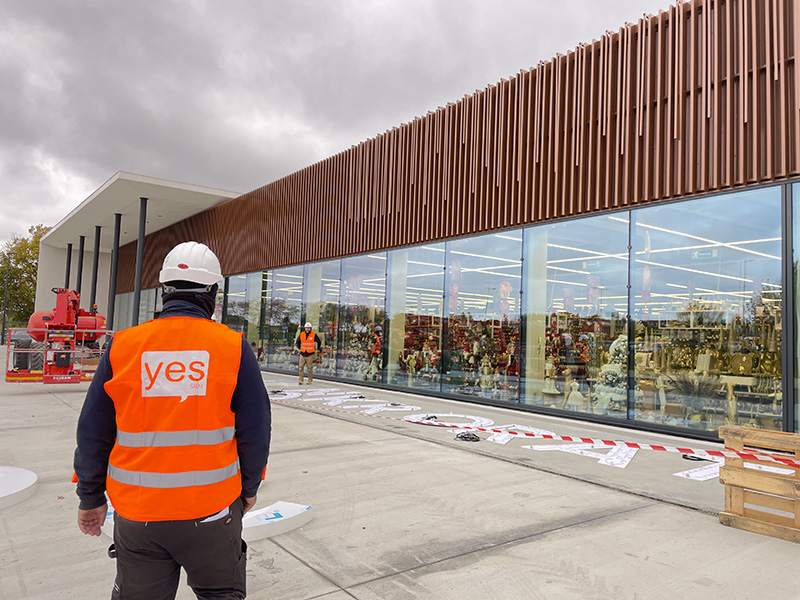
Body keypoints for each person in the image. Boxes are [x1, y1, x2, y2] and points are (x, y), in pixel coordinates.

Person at [74, 241, 271, 600]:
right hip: (212, 513)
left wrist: (90, 496)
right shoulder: (232, 347)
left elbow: (94, 430)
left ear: (164, 290)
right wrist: (249, 489)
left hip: (138, 514)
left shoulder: (124, 345)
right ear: (211, 292)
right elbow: (255, 431)